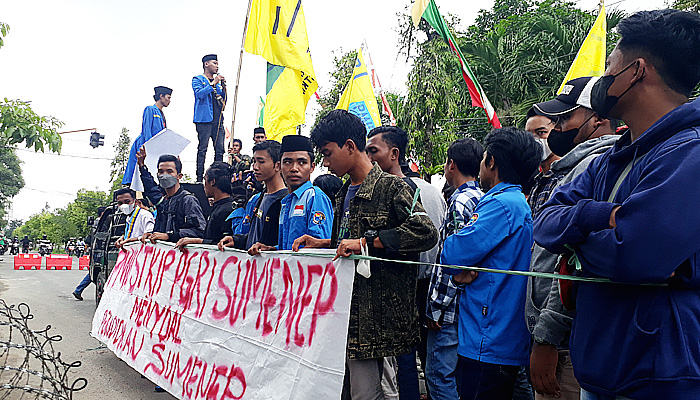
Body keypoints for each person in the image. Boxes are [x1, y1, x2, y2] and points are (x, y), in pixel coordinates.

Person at [534, 10, 700, 400]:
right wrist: (597, 216)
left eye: (610, 68)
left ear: (636, 72)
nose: (602, 82)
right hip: (606, 369)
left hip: (660, 374)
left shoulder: (688, 151)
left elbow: (635, 254)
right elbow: (544, 222)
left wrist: (575, 244)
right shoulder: (611, 157)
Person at [293, 109, 438, 399]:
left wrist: (368, 242)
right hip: (344, 313)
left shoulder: (393, 187)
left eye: (327, 153)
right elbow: (345, 243)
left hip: (377, 319)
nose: (325, 162)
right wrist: (322, 244)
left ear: (349, 146)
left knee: (367, 394)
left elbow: (425, 232)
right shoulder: (342, 194)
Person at [526, 77, 619, 400]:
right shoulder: (572, 168)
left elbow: (569, 260)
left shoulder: (593, 165)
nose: (558, 128)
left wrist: (548, 338)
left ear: (599, 119)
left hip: (566, 339)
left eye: (566, 119)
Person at [441, 127, 541, 400]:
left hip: (489, 335)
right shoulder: (514, 202)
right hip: (495, 332)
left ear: (492, 161)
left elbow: (451, 254)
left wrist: (459, 266)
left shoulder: (502, 205)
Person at [366, 125, 446, 400]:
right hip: (427, 283)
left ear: (394, 153)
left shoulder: (399, 190)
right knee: (420, 357)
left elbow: (425, 235)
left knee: (404, 360)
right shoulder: (432, 191)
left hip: (406, 286)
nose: (368, 158)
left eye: (373, 151)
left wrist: (374, 241)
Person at [422, 138, 484, 400]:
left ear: (451, 165)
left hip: (449, 309)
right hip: (470, 307)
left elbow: (455, 262)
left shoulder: (459, 203)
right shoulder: (482, 197)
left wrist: (435, 307)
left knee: (438, 376)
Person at [248, 135, 334, 254]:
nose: (294, 168)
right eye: (288, 162)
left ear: (312, 167)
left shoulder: (314, 197)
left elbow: (320, 250)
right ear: (279, 166)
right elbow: (289, 248)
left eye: (302, 162)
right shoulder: (286, 202)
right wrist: (272, 249)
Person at [218, 140, 287, 251]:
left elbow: (288, 243)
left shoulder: (287, 201)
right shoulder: (258, 198)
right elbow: (252, 235)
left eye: (261, 162)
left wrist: (271, 249)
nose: (255, 167)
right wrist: (236, 240)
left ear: (278, 165)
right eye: (254, 161)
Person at [136, 149, 206, 243]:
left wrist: (170, 236)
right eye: (161, 171)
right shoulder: (164, 202)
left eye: (169, 171)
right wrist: (152, 234)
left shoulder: (188, 200)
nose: (165, 175)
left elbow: (199, 231)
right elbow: (151, 189)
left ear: (179, 176)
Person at [175, 162, 235, 248]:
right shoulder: (219, 207)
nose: (204, 185)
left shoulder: (226, 210)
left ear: (212, 182)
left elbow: (224, 245)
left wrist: (198, 241)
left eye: (205, 179)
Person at [122, 86, 172, 185]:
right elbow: (147, 130)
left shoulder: (162, 114)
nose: (169, 101)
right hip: (145, 144)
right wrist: (148, 147)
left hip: (156, 148)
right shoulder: (150, 109)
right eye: (168, 97)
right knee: (137, 172)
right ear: (161, 96)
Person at [193, 54, 227, 182]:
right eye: (214, 63)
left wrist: (223, 88)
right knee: (203, 148)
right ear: (206, 64)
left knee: (219, 149)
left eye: (217, 63)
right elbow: (199, 94)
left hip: (218, 121)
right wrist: (213, 83)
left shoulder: (217, 84)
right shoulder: (198, 79)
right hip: (204, 120)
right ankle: (199, 177)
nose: (217, 66)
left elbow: (223, 102)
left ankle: (218, 176)